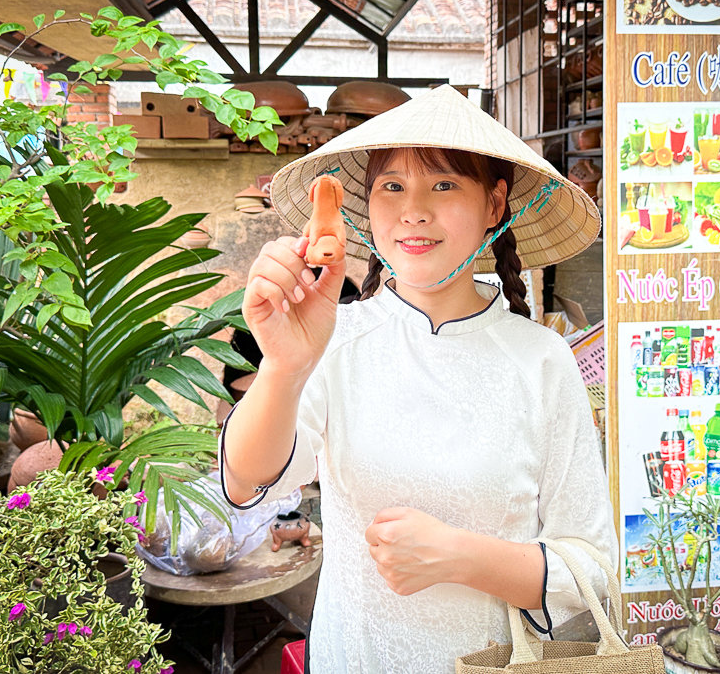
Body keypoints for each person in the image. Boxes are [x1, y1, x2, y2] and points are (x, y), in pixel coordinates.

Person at [218, 84, 617, 673]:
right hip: (354, 655)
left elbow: (591, 570)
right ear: (366, 206)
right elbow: (248, 480)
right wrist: (282, 366)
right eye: (393, 186)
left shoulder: (540, 359)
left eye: (445, 184)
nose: (414, 211)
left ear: (495, 204)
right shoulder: (336, 337)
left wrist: (460, 556)